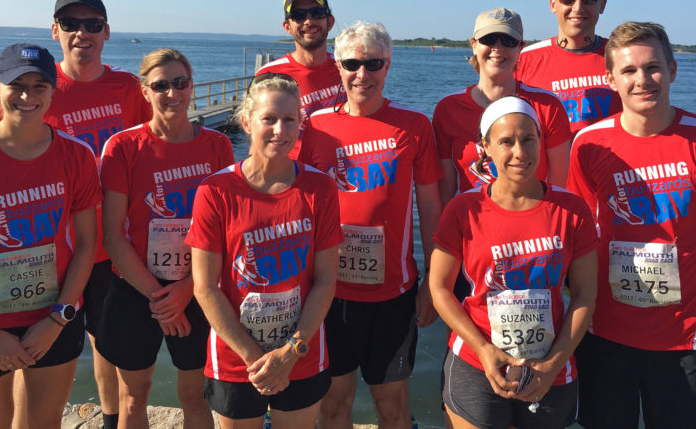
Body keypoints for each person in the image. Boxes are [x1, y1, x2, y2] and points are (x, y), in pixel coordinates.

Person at [0, 0, 152, 429]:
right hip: (53, 248)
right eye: (70, 24)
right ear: (55, 31)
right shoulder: (37, 84)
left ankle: (110, 417)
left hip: (111, 245)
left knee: (109, 343)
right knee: (35, 352)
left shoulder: (126, 88)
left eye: (92, 24)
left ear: (106, 31)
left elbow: (150, 145)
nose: (82, 32)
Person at [567, 22, 696, 429]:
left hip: (686, 342)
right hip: (605, 335)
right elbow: (581, 240)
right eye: (628, 71)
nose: (642, 80)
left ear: (673, 70)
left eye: (653, 67)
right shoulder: (589, 145)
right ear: (610, 79)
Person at [0, 43, 101, 428]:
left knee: (45, 424)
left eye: (39, 86)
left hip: (51, 314)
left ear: (53, 90)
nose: (28, 96)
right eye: (16, 85)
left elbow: (86, 245)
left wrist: (58, 318)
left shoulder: (76, 156)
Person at [298, 21, 443, 429]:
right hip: (329, 293)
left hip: (392, 295)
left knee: (393, 406)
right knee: (334, 403)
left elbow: (430, 206)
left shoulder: (413, 126)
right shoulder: (315, 125)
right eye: (352, 63)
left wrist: (434, 282)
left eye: (373, 63)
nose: (363, 74)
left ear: (388, 65)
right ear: (339, 67)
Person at [429, 96, 597, 429]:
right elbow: (439, 288)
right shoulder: (464, 210)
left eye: (528, 139)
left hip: (550, 362)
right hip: (477, 360)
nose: (519, 152)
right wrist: (482, 348)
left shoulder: (572, 210)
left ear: (540, 141)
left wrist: (553, 364)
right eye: (506, 141)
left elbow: (584, 295)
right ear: (486, 147)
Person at [187, 75, 341, 429]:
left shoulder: (320, 187)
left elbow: (325, 279)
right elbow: (205, 287)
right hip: (236, 357)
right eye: (268, 119)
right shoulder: (216, 190)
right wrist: (256, 359)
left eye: (289, 120)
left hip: (301, 352)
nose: (279, 130)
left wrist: (290, 353)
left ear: (301, 124)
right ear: (246, 122)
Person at [97, 48, 231, 429]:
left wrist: (188, 289)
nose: (172, 93)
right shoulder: (123, 147)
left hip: (198, 289)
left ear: (192, 86)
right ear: (145, 92)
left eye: (180, 83)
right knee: (133, 396)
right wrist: (160, 298)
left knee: (195, 394)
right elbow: (113, 235)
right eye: (160, 86)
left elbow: (224, 231)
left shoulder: (217, 146)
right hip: (137, 289)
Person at [433, 7, 571, 206]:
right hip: (472, 225)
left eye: (508, 41)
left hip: (533, 225)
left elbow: (558, 189)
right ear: (473, 45)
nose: (498, 48)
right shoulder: (448, 109)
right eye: (489, 40)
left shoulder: (548, 106)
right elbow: (445, 192)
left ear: (520, 47)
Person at [516, 0, 622, 134]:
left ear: (602, 4)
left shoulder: (622, 56)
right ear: (553, 4)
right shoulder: (524, 60)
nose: (578, 7)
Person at [255, 0, 346, 158]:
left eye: (317, 13)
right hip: (294, 177)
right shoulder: (269, 75)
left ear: (330, 21)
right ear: (287, 26)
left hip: (344, 174)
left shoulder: (348, 69)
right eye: (298, 16)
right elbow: (259, 138)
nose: (309, 21)